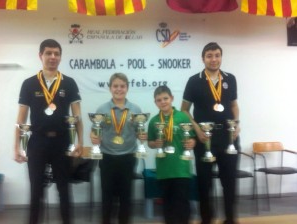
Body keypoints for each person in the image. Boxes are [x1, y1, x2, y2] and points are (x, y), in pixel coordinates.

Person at [14, 39, 83, 224]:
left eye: (56, 53)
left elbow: (77, 117)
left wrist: (79, 142)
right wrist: (17, 147)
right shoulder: (29, 83)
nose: (53, 57)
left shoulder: (69, 83)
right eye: (48, 53)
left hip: (62, 142)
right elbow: (21, 119)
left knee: (64, 190)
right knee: (36, 190)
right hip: (37, 142)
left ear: (60, 57)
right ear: (40, 56)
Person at [181, 42, 240, 224]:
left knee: (229, 182)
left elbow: (234, 105)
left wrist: (236, 123)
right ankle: (207, 219)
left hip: (228, 138)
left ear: (221, 57)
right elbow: (184, 110)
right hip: (204, 139)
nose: (213, 59)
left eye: (217, 55)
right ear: (203, 58)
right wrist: (196, 129)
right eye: (209, 56)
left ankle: (230, 219)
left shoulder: (230, 78)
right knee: (204, 184)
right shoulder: (194, 80)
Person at [90, 73, 146, 224]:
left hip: (128, 157)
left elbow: (139, 132)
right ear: (110, 88)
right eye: (115, 86)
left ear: (127, 88)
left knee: (126, 196)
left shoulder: (135, 109)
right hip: (107, 157)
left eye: (122, 86)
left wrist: (142, 136)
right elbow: (95, 131)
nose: (119, 89)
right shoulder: (102, 109)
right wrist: (94, 138)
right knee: (106, 196)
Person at [148, 85, 196, 224]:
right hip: (164, 170)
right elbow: (150, 142)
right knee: (167, 205)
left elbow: (192, 137)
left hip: (181, 168)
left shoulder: (182, 116)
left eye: (165, 98)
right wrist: (155, 144)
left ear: (172, 98)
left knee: (182, 204)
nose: (163, 102)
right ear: (155, 102)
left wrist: (192, 142)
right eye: (159, 100)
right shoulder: (154, 121)